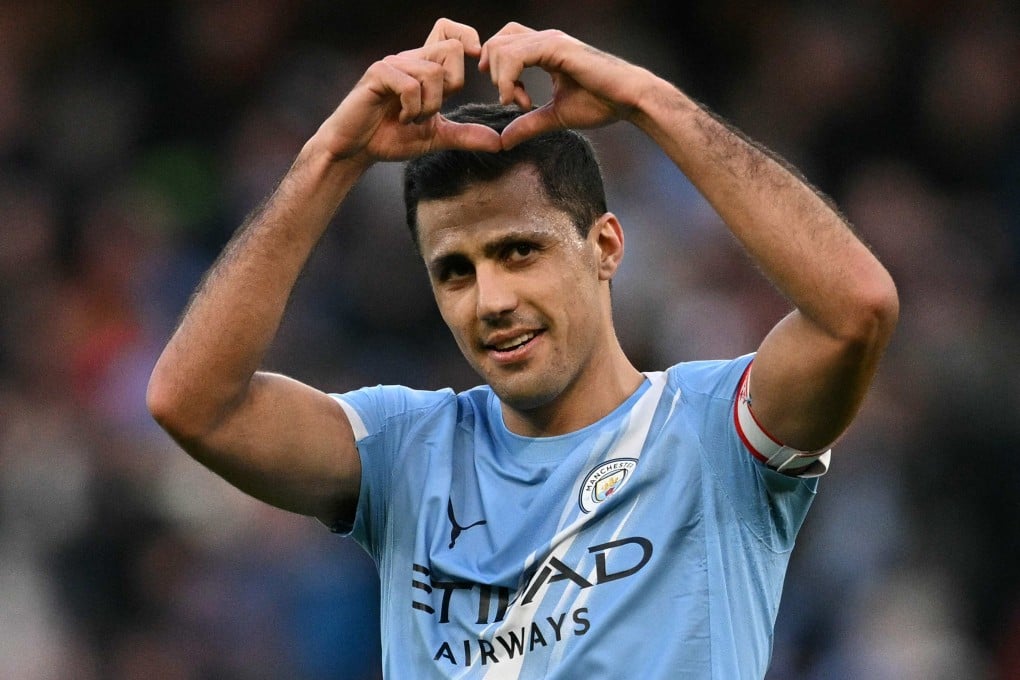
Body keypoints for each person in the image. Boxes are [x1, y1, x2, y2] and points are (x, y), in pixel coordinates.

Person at [147, 18, 899, 679]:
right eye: (455, 272)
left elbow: (855, 311)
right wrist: (331, 158)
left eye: (519, 251)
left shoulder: (713, 430)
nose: (492, 300)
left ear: (604, 246)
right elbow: (194, 404)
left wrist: (649, 103)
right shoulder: (406, 451)